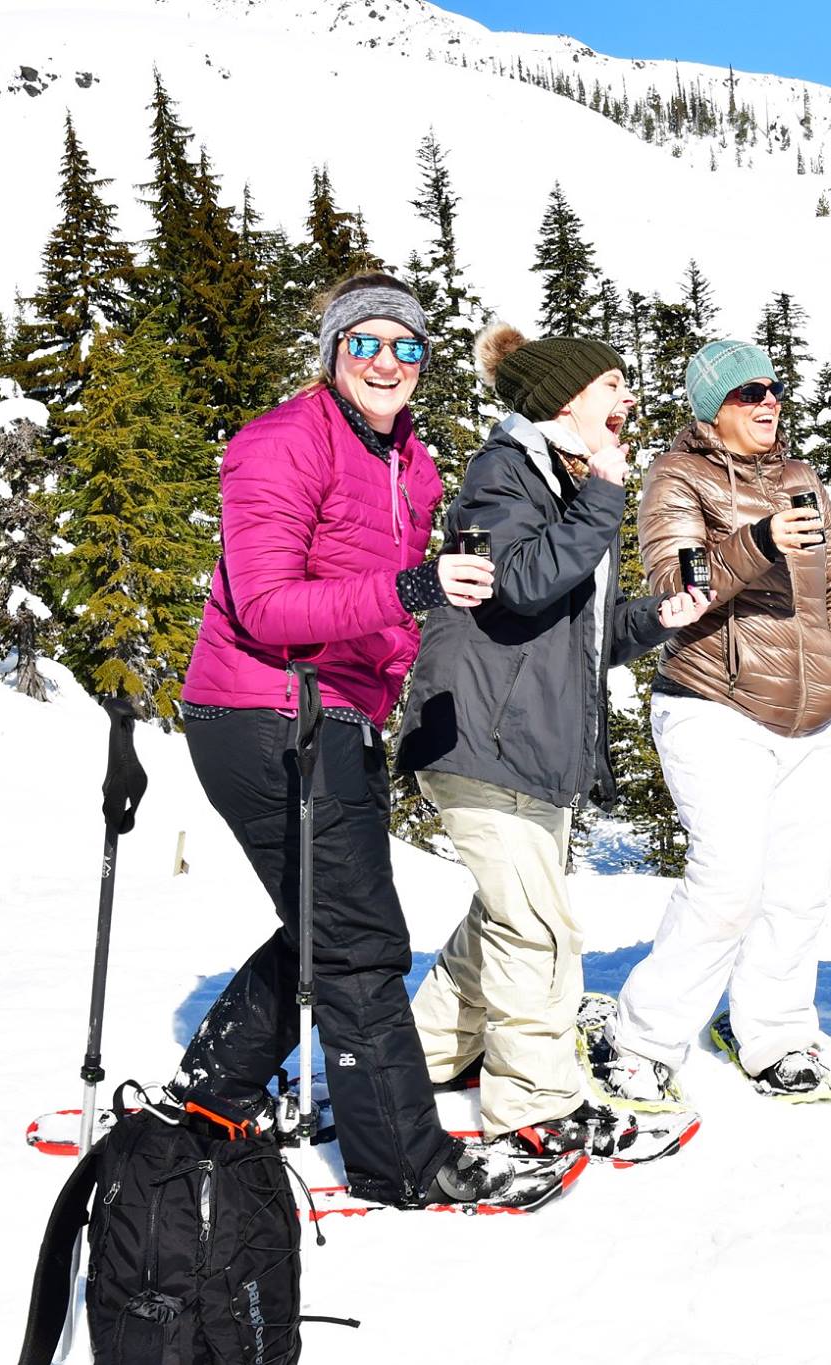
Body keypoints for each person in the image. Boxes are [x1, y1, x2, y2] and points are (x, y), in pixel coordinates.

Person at [172, 272, 554, 1208]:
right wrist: (412, 592)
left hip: (340, 711)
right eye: (366, 343)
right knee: (360, 940)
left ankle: (215, 1087)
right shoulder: (279, 444)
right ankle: (406, 1163)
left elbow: (401, 593)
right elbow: (264, 605)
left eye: (407, 347)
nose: (387, 362)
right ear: (334, 352)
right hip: (263, 708)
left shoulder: (412, 464)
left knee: (327, 923)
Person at [396, 324, 707, 1158]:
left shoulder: (565, 482)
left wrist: (654, 620)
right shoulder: (507, 471)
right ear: (567, 399)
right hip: (481, 736)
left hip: (529, 745)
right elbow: (519, 583)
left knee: (503, 920)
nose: (627, 396)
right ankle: (533, 1102)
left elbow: (576, 632)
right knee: (538, 929)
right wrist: (605, 498)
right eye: (612, 383)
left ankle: (413, 1058)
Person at [590, 339, 831, 1103]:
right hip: (716, 704)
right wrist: (756, 541)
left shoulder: (801, 479)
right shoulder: (676, 476)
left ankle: (773, 1032)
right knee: (727, 884)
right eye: (750, 392)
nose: (770, 402)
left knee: (798, 890)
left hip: (811, 718)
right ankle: (640, 1038)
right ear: (713, 405)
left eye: (775, 387)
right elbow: (676, 584)